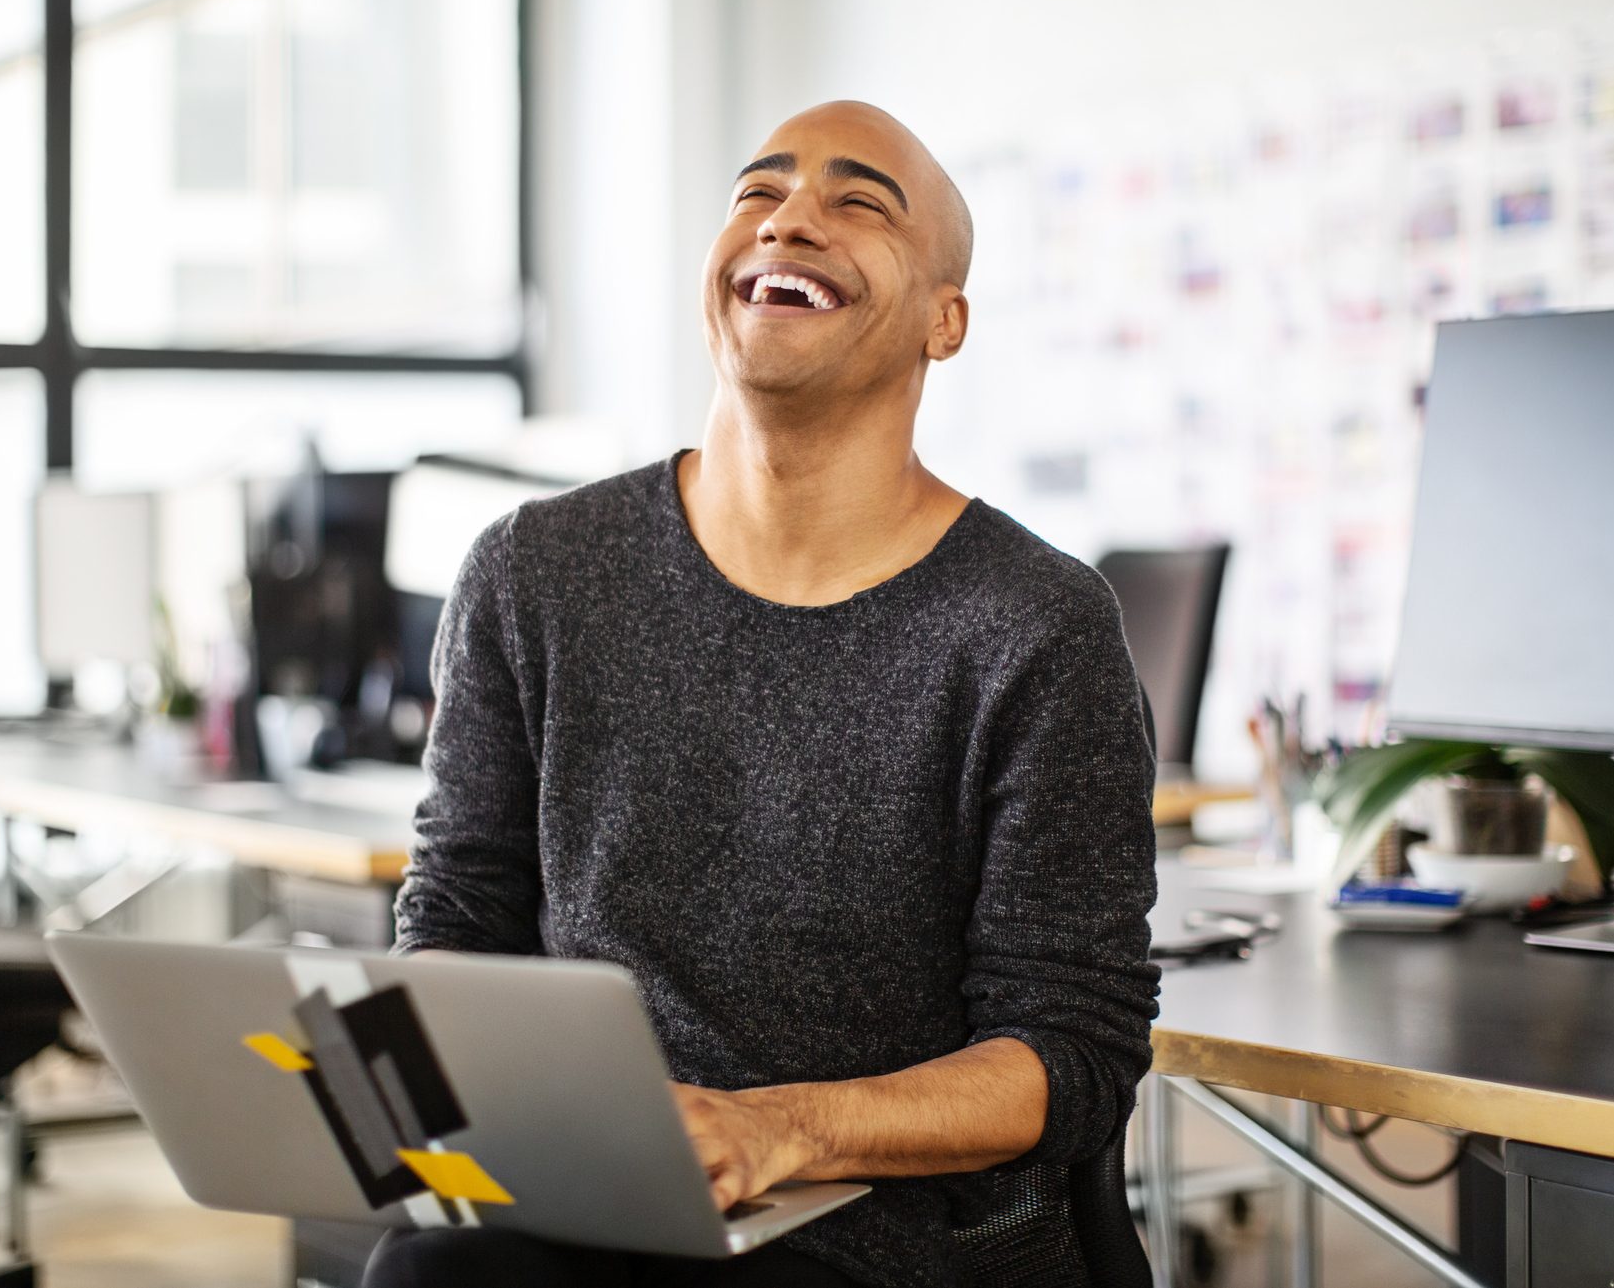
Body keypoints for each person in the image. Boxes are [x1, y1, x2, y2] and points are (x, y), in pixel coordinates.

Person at [367, 101, 1158, 1288]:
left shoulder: (1037, 625)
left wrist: (779, 1127)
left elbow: (1071, 1050)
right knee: (423, 1275)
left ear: (946, 320)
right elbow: (459, 921)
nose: (790, 219)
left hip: (883, 1239)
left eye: (859, 201)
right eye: (759, 192)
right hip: (590, 1201)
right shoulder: (534, 570)